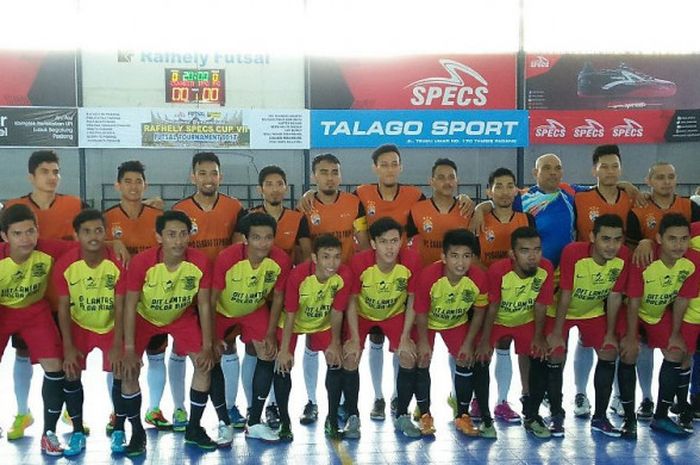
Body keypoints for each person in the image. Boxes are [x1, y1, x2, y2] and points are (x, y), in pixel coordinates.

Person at [3, 150, 84, 440]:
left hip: (64, 297)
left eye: (56, 171)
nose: (52, 177)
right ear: (31, 176)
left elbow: (89, 237)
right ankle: (23, 412)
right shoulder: (15, 207)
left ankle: (66, 410)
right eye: (45, 172)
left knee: (67, 357)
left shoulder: (74, 204)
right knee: (23, 352)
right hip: (24, 296)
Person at [121, 210, 216, 455]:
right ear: (159, 237)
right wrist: (130, 350)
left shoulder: (199, 262)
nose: (178, 240)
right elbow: (130, 305)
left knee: (204, 365)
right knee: (128, 370)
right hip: (144, 317)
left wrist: (207, 345)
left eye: (183, 234)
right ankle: (137, 432)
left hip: (180, 316)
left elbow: (205, 304)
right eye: (171, 235)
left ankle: (194, 428)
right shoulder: (143, 262)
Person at [168, 152, 246, 431]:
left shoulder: (234, 207)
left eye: (213, 173)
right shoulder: (179, 208)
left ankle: (231, 406)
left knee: (227, 346)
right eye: (202, 173)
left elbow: (240, 244)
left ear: (220, 176)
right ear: (193, 176)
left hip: (222, 289)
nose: (208, 178)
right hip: (187, 288)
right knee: (181, 346)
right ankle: (179, 408)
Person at [0, 204, 77, 454]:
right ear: (4, 237)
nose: (26, 239)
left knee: (55, 369)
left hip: (35, 311)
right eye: (17, 234)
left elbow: (88, 246)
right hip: (3, 311)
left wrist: (114, 244)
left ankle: (49, 433)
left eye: (30, 231)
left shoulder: (47, 248)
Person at [625, 162, 700, 419]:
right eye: (660, 177)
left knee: (686, 348)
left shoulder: (690, 206)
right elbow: (631, 248)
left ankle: (684, 400)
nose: (666, 182)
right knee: (644, 346)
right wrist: (646, 240)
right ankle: (646, 398)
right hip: (649, 287)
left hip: (681, 283)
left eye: (670, 177)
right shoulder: (638, 210)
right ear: (649, 180)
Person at [546, 214, 632, 438]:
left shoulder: (624, 256)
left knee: (609, 350)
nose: (611, 245)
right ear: (593, 237)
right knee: (555, 353)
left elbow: (614, 297)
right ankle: (556, 414)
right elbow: (565, 293)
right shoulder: (573, 252)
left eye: (617, 239)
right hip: (560, 311)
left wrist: (611, 334)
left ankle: (600, 417)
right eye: (605, 239)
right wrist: (556, 333)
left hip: (592, 311)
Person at [104, 160, 174, 432]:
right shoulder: (107, 218)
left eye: (138, 181)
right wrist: (113, 242)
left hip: (152, 298)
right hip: (119, 301)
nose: (134, 186)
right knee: (119, 360)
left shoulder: (157, 216)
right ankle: (115, 411)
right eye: (128, 181)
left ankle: (154, 409)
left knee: (156, 355)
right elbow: (90, 243)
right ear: (117, 185)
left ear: (145, 185)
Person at [210, 212, 292, 443]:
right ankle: (223, 422)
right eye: (256, 237)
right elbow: (211, 299)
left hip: (254, 310)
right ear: (245, 239)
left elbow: (277, 298)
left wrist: (269, 333)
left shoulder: (281, 260)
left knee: (267, 352)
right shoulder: (227, 258)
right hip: (222, 312)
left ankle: (254, 421)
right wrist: (212, 336)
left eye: (268, 237)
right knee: (212, 357)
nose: (263, 243)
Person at [53, 209, 126, 455]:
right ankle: (76, 431)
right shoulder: (66, 265)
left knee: (121, 371)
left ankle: (119, 429)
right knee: (71, 372)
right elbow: (63, 307)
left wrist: (118, 343)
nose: (93, 236)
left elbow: (121, 305)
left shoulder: (117, 261)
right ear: (76, 235)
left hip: (110, 326)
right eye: (86, 232)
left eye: (98, 230)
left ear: (105, 232)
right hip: (79, 325)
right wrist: (68, 346)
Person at [342, 217, 422, 438]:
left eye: (395, 241)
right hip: (362, 314)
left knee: (407, 355)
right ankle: (352, 417)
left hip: (394, 314)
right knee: (350, 356)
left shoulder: (411, 261)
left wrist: (406, 336)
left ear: (401, 242)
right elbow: (351, 301)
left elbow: (413, 299)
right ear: (374, 243)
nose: (390, 247)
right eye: (384, 241)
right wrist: (355, 338)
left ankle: (402, 415)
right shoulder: (359, 262)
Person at [250, 165, 317, 425]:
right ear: (260, 189)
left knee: (287, 349)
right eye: (269, 184)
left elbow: (304, 253)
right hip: (257, 297)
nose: (275, 188)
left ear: (285, 187)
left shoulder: (297, 217)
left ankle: (309, 402)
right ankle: (266, 406)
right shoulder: (250, 216)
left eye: (279, 183)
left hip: (285, 293)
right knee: (260, 352)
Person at [477, 227, 555, 439]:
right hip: (498, 321)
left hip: (525, 321)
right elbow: (492, 307)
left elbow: (540, 306)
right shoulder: (498, 270)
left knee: (539, 354)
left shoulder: (546, 268)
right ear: (512, 254)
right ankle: (485, 417)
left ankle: (531, 413)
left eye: (537, 250)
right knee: (481, 356)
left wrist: (538, 337)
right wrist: (485, 340)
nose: (532, 256)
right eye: (525, 251)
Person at [413, 229, 489, 437]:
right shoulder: (428, 276)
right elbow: (420, 313)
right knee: (422, 358)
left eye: (466, 256)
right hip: (428, 322)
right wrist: (423, 342)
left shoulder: (478, 278)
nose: (460, 263)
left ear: (472, 258)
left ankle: (462, 416)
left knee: (465, 358)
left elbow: (480, 312)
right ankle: (424, 414)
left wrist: (468, 343)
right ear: (443, 257)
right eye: (454, 256)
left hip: (456, 322)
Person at [275, 234, 352, 440]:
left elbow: (337, 311)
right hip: (293, 323)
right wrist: (284, 350)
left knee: (335, 361)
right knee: (283, 365)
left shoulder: (344, 275)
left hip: (322, 322)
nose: (332, 263)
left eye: (337, 257)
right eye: (326, 257)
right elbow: (290, 313)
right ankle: (284, 422)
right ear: (315, 258)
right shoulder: (298, 276)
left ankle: (332, 419)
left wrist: (335, 344)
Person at [476, 167, 534, 423]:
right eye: (498, 186)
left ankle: (502, 401)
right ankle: (476, 400)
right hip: (486, 291)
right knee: (481, 347)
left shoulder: (526, 219)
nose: (504, 191)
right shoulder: (480, 218)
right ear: (489, 191)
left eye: (510, 185)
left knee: (504, 345)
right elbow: (472, 256)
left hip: (516, 294)